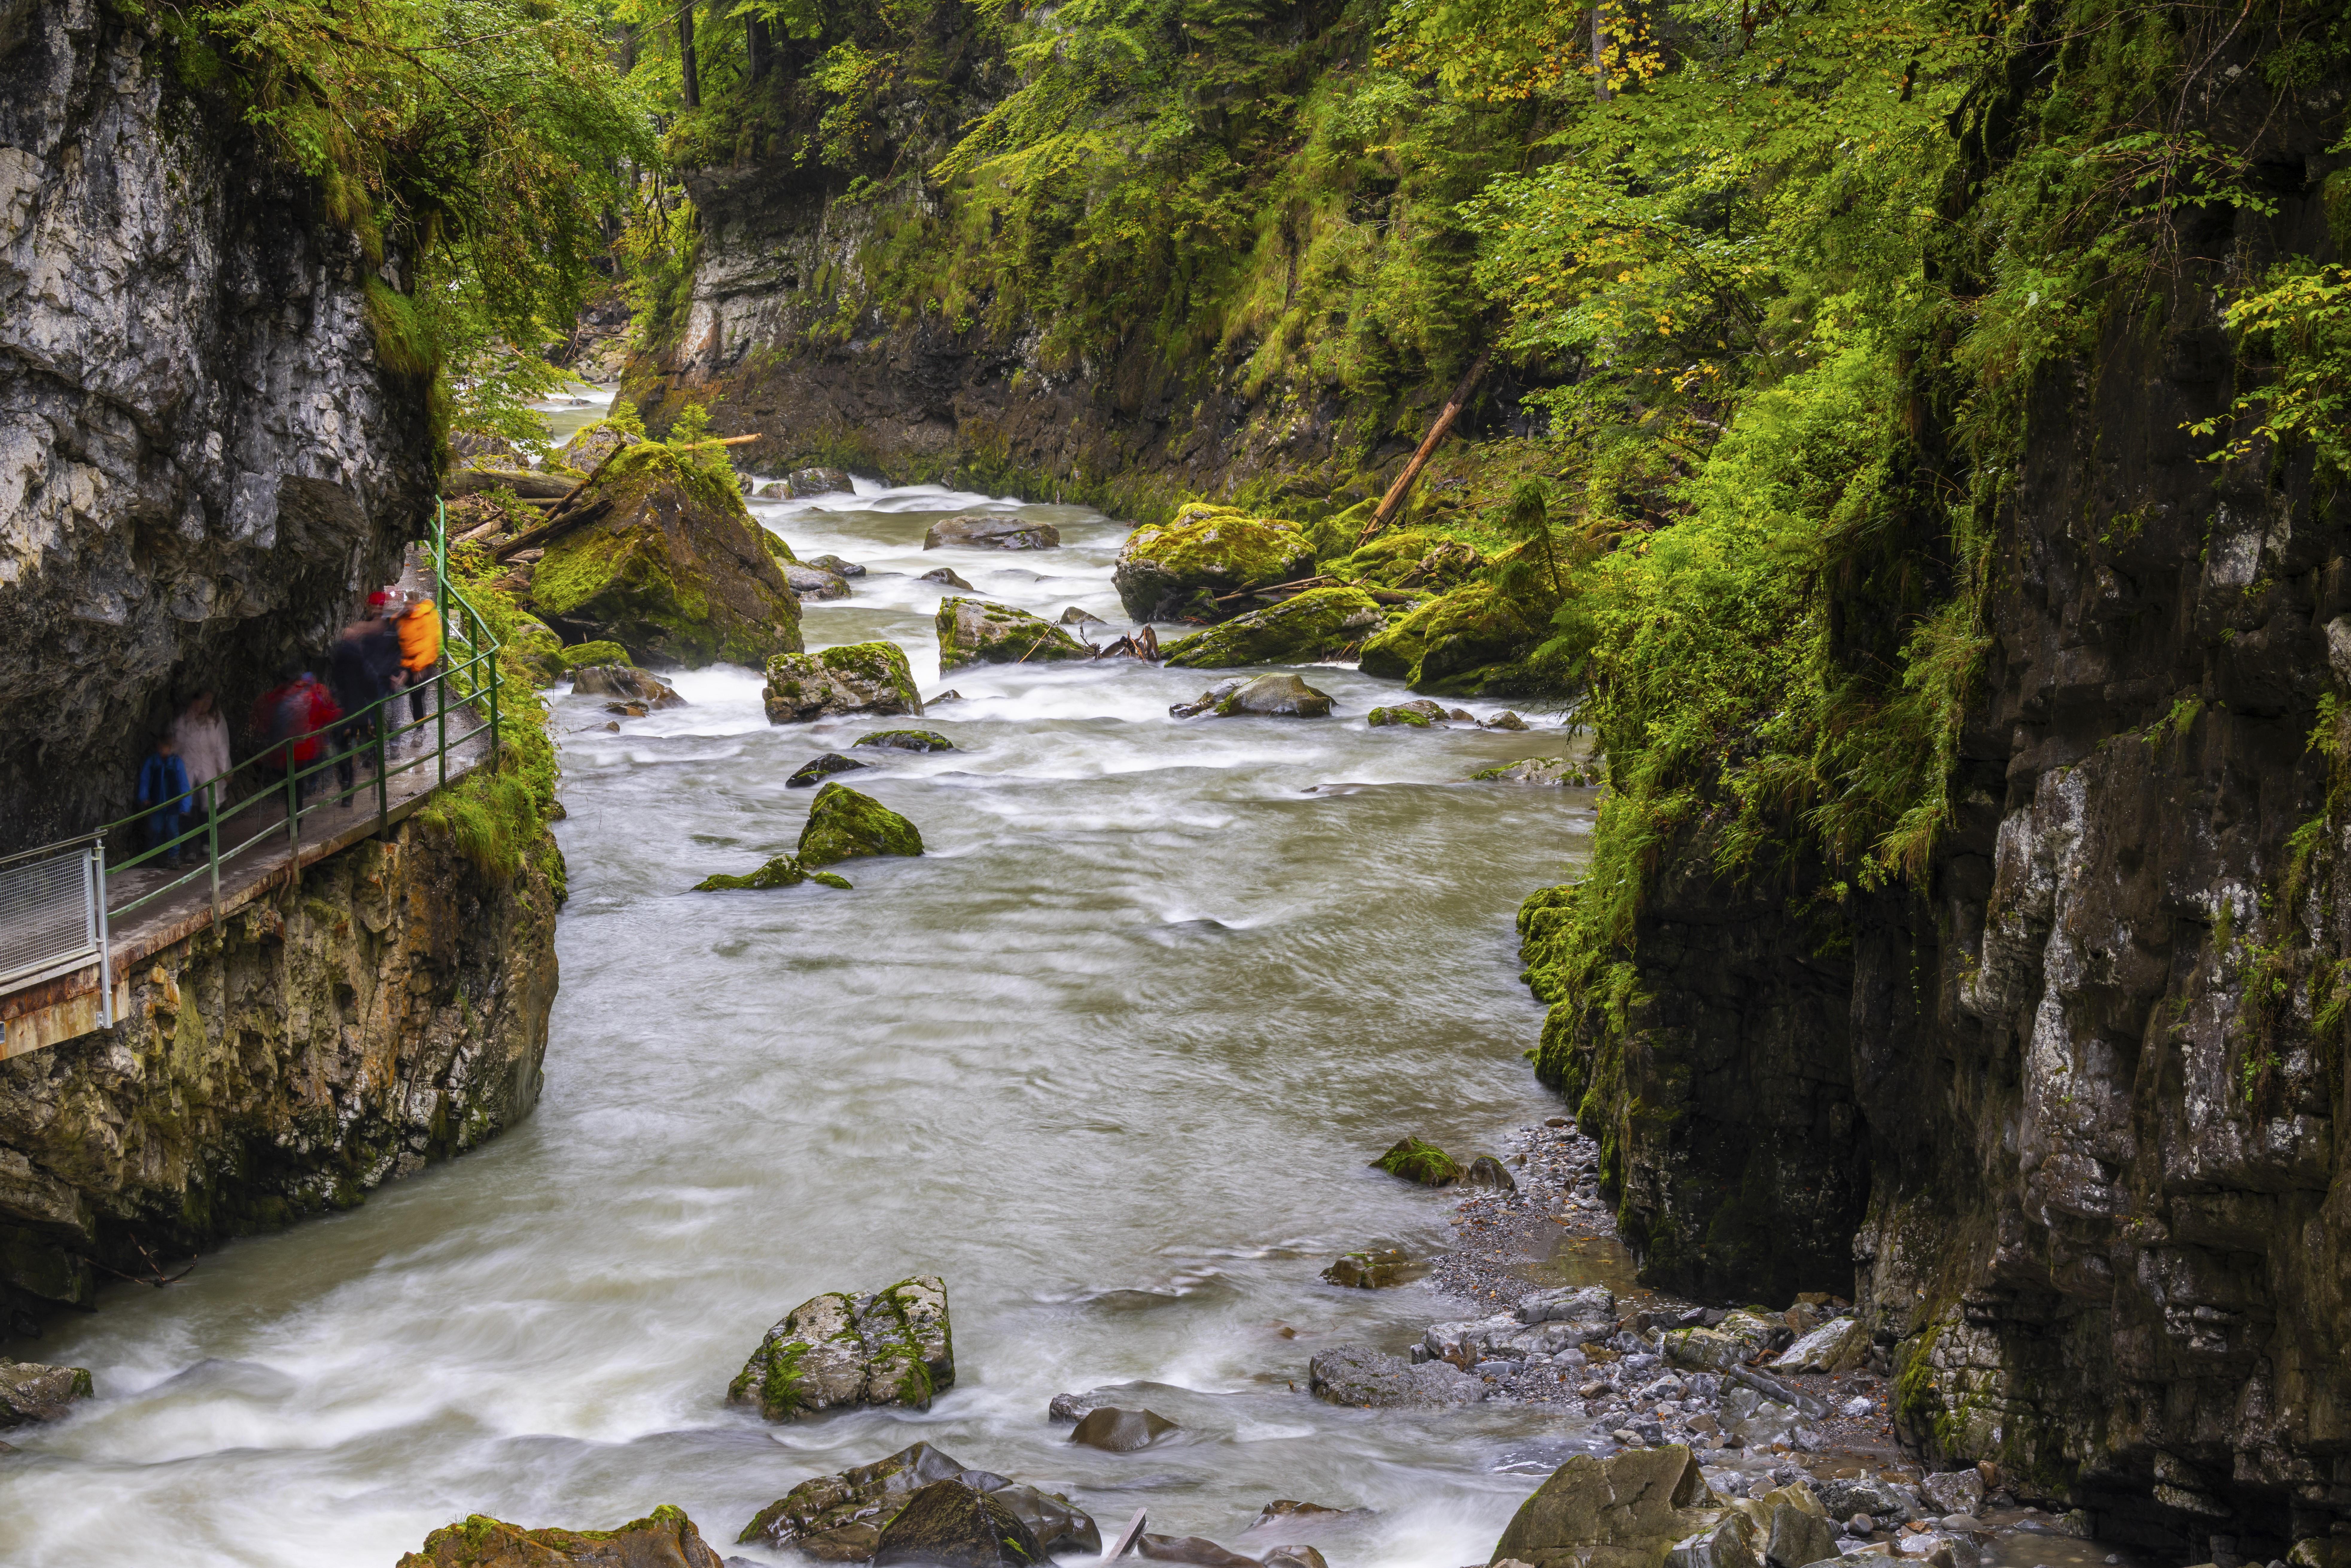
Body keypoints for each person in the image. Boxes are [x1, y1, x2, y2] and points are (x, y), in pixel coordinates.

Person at [252, 665, 343, 804]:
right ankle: (308, 790)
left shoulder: (281, 695)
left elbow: (266, 712)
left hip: (287, 746)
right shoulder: (312, 694)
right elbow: (323, 713)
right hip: (306, 744)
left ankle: (300, 797)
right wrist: (338, 714)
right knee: (308, 768)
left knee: (297, 777)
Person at [329, 614, 390, 797]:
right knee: (362, 739)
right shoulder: (360, 658)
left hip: (342, 709)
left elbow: (337, 680)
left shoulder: (338, 654)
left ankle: (346, 781)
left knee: (342, 748)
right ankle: (370, 758)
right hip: (358, 710)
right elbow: (370, 683)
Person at [167, 690, 232, 819]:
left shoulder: (216, 719)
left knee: (208, 806)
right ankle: (190, 836)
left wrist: (225, 770)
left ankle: (207, 838)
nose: (205, 705)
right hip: (187, 768)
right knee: (188, 806)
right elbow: (176, 744)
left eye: (209, 701)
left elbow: (222, 746)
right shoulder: (184, 720)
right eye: (203, 702)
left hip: (209, 769)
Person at [135, 735, 192, 867]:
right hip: (157, 803)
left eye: (166, 748)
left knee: (173, 829)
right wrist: (144, 797)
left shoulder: (176, 762)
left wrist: (185, 805)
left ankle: (174, 856)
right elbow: (145, 780)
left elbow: (184, 784)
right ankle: (155, 856)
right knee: (156, 829)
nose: (163, 750)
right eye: (161, 748)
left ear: (170, 748)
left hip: (173, 804)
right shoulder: (153, 762)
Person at [398, 593, 442, 730]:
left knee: (417, 695)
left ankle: (420, 728)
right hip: (407, 664)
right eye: (406, 604)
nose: (408, 606)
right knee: (409, 695)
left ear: (416, 603)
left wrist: (417, 668)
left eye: (411, 603)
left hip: (423, 665)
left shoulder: (425, 618)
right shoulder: (402, 619)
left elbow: (429, 646)